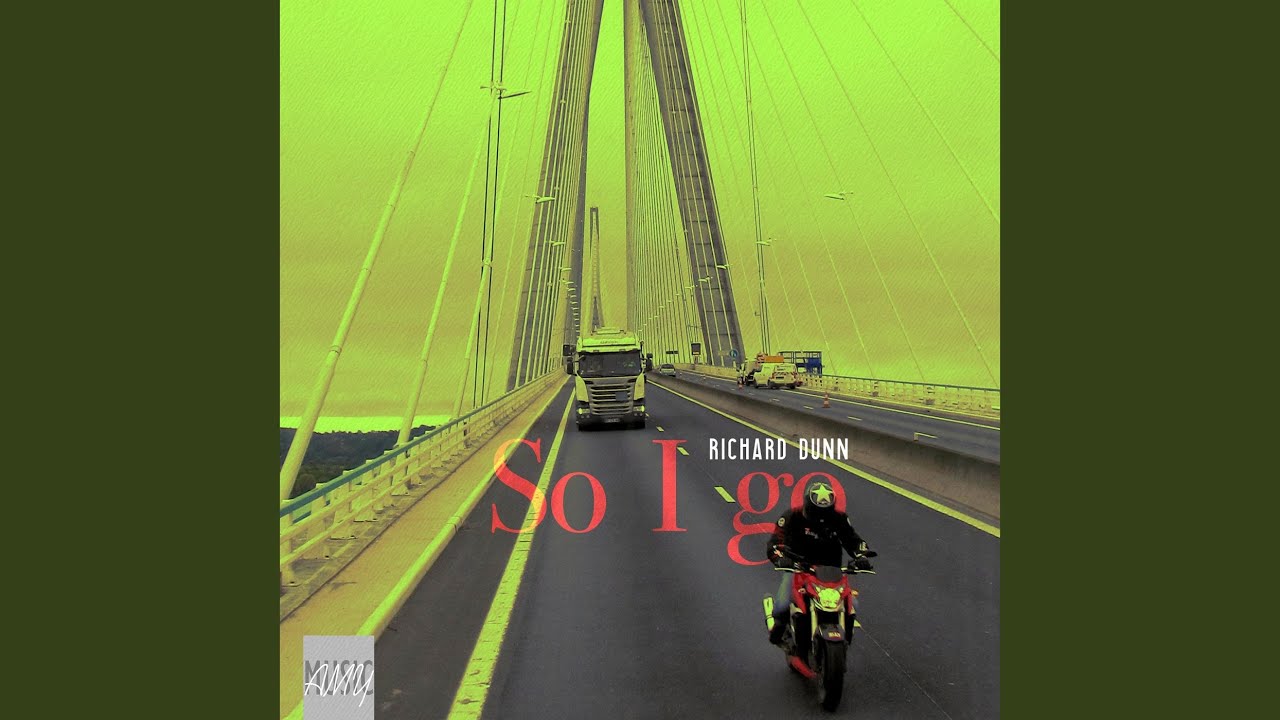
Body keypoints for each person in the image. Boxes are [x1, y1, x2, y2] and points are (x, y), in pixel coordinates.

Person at [765, 480, 873, 646]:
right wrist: (780, 558)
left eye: (826, 513)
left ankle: (844, 637)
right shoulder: (791, 516)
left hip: (831, 572)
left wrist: (862, 556)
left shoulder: (840, 519)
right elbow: (775, 542)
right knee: (782, 605)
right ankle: (778, 633)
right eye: (817, 512)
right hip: (799, 569)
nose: (821, 518)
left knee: (853, 606)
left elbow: (853, 540)